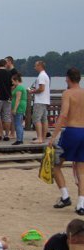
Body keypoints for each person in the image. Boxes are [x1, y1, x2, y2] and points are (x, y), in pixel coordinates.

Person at [51, 67, 84, 213]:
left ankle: (65, 196)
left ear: (68, 78)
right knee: (81, 171)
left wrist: (53, 136)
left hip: (71, 131)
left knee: (56, 165)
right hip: (83, 131)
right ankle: (81, 204)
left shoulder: (68, 93)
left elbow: (64, 115)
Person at [29, 61, 51, 144]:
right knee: (44, 119)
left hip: (40, 100)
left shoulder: (41, 76)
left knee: (36, 119)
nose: (34, 67)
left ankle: (39, 138)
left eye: (35, 65)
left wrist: (32, 91)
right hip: (45, 100)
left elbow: (42, 88)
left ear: (40, 66)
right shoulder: (45, 75)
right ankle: (43, 138)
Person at [11, 73, 28, 145]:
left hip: (19, 107)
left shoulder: (19, 88)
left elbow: (18, 99)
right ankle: (20, 138)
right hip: (21, 106)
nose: (12, 82)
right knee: (19, 123)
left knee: (18, 123)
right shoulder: (18, 87)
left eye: (13, 81)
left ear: (16, 80)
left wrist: (14, 109)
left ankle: (19, 139)